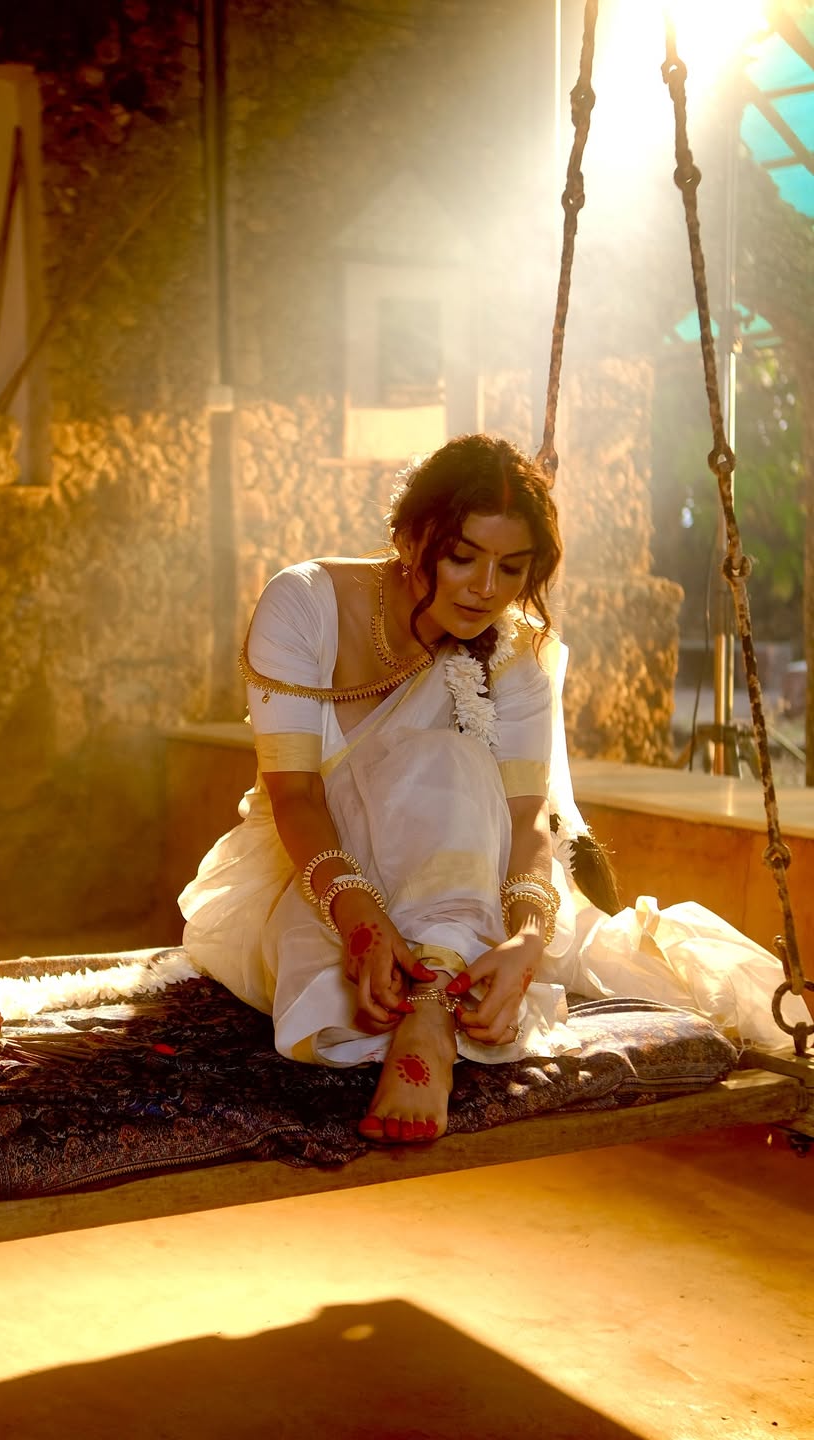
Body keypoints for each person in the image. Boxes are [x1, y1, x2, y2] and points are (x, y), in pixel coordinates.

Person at [179, 434, 810, 1144]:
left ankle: (429, 1016)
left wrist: (530, 939)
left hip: (465, 879)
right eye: (463, 557)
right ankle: (429, 1009)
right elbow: (295, 795)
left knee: (453, 764)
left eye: (512, 568)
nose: (487, 588)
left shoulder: (514, 653)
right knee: (438, 762)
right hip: (317, 874)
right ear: (410, 537)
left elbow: (528, 820)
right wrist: (360, 923)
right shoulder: (304, 604)